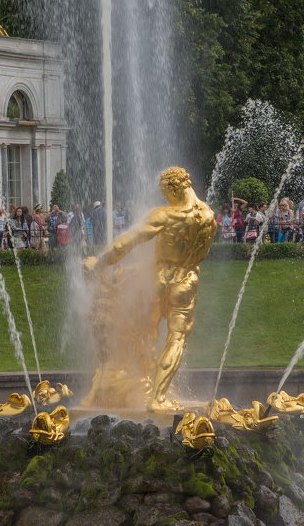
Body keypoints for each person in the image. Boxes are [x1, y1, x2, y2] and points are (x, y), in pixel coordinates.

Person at [82, 166, 216, 412]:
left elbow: (125, 243)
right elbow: (201, 254)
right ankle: (158, 398)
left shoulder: (164, 215)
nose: (165, 197)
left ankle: (126, 382)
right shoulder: (209, 216)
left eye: (165, 192)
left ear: (173, 188)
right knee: (176, 341)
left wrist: (98, 264)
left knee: (139, 334)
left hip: (160, 279)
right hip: (187, 281)